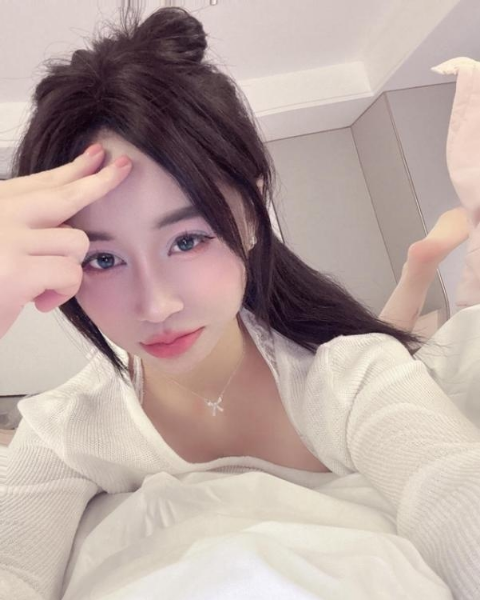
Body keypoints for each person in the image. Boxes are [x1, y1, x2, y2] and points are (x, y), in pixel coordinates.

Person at [0, 6, 479, 600]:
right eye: (102, 259)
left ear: (251, 215)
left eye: (187, 240)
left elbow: (452, 488)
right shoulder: (67, 432)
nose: (155, 304)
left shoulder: (353, 379)